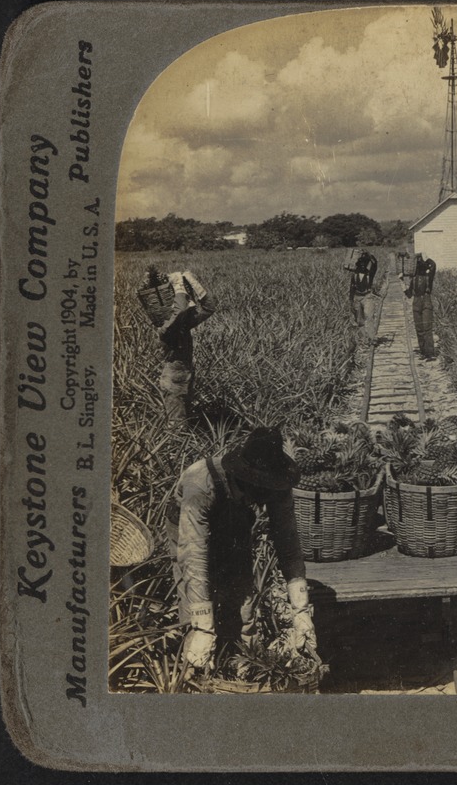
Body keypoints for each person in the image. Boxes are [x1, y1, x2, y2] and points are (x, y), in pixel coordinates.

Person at [173, 427, 316, 672]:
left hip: (234, 526)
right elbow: (194, 556)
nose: (266, 495)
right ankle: (196, 672)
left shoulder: (276, 485)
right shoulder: (201, 483)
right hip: (187, 529)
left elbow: (288, 544)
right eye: (261, 486)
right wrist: (202, 626)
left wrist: (301, 610)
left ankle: (244, 666)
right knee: (194, 609)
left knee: (243, 604)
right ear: (245, 478)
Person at [156, 270, 217, 423]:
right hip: (173, 381)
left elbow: (209, 306)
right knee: (177, 425)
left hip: (185, 376)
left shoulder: (184, 325)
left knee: (184, 420)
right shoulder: (167, 329)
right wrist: (178, 286)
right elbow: (181, 309)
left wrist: (191, 280)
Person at [400, 252, 437, 359]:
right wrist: (402, 281)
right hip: (417, 302)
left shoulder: (428, 277)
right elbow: (409, 294)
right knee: (419, 328)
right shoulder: (414, 280)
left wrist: (425, 256)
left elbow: (433, 265)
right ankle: (424, 352)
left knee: (426, 328)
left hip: (425, 302)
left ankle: (430, 353)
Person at [345, 249, 378, 333]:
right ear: (357, 265)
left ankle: (371, 338)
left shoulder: (369, 274)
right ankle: (363, 339)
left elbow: (375, 264)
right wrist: (351, 300)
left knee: (369, 317)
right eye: (361, 264)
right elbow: (352, 287)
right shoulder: (354, 275)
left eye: (365, 264)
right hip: (357, 297)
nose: (363, 266)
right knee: (359, 320)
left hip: (367, 297)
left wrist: (369, 254)